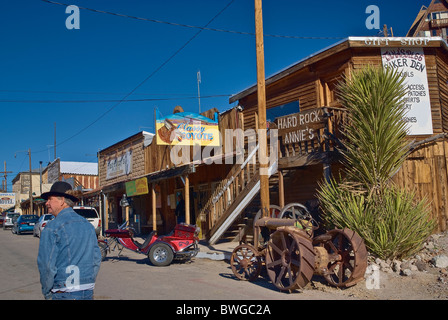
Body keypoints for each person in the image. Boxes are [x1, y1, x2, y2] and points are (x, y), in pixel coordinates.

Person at [37, 181, 102, 300]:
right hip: (86, 291)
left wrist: (47, 292)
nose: (47, 203)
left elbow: (46, 266)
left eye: (49, 199)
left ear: (62, 200)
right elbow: (96, 258)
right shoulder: (87, 225)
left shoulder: (52, 228)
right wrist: (88, 281)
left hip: (63, 291)